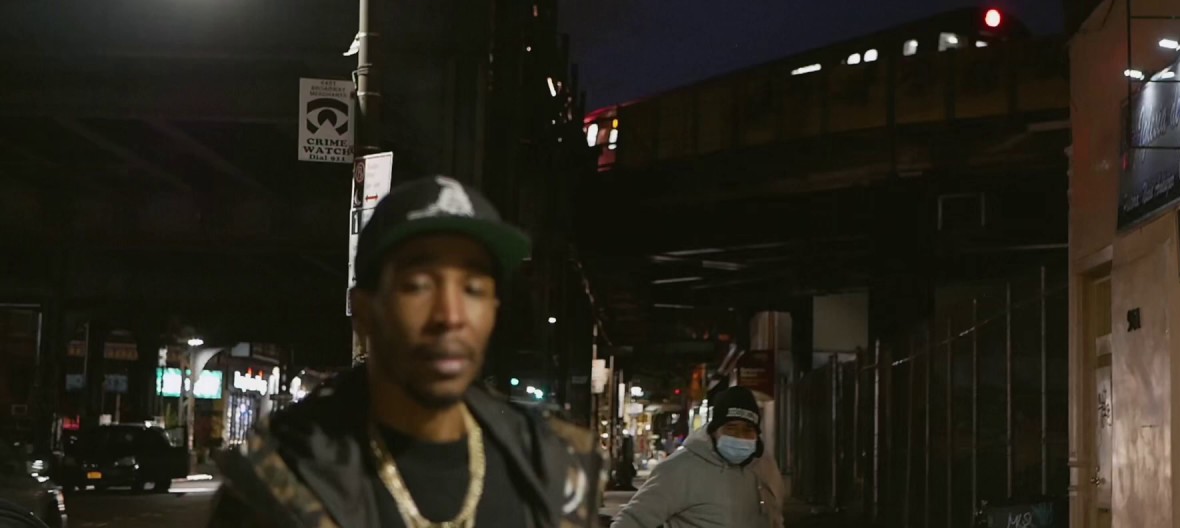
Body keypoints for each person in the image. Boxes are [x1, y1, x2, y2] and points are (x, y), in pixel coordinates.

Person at [208, 175, 606, 527]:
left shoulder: (551, 468)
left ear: (494, 311)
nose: (450, 316)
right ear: (364, 312)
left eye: (473, 289)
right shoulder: (283, 478)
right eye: (418, 285)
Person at [609, 386, 784, 528]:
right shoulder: (680, 468)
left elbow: (775, 518)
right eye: (731, 428)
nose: (740, 436)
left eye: (748, 429)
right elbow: (633, 520)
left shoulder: (764, 466)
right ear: (714, 431)